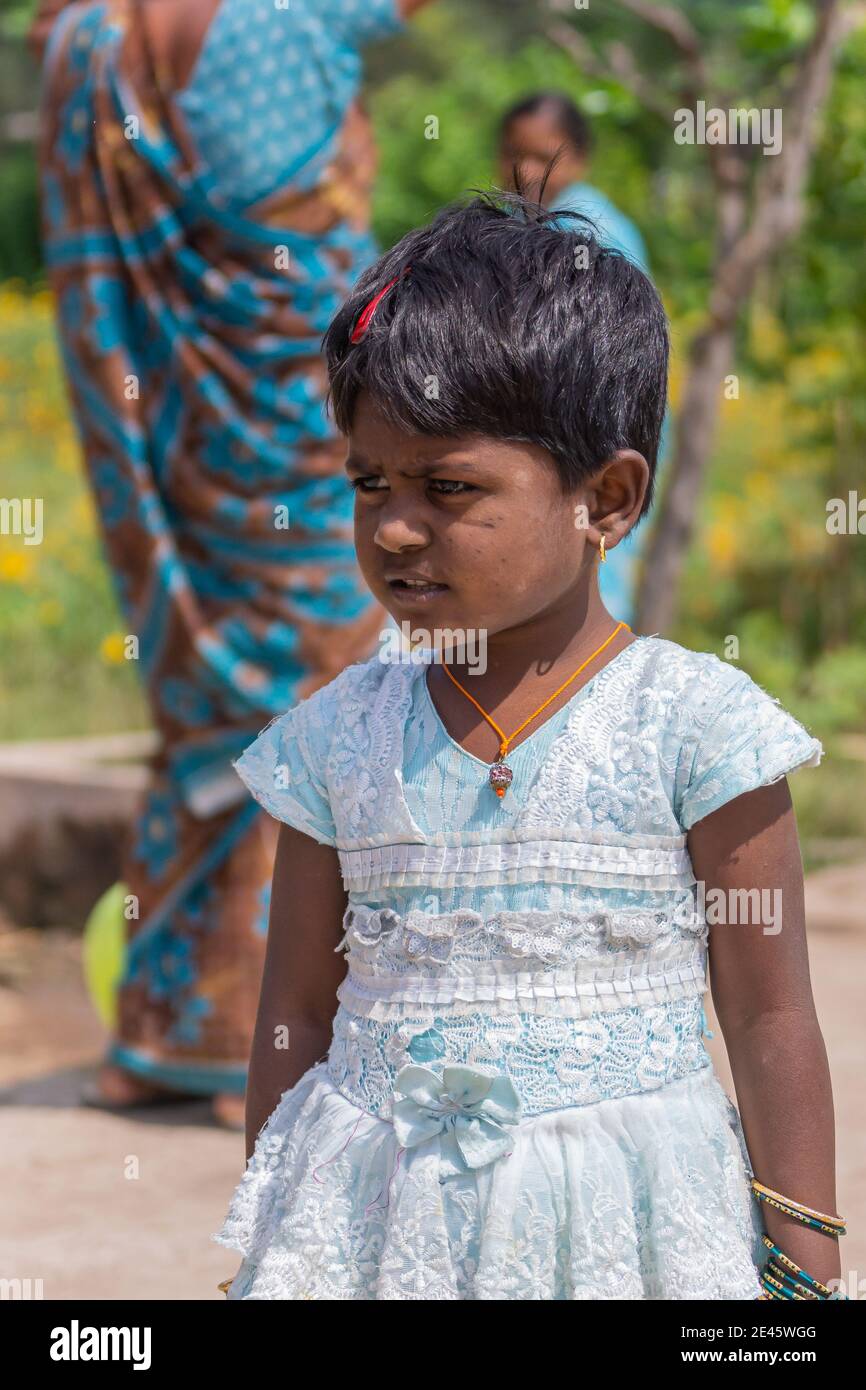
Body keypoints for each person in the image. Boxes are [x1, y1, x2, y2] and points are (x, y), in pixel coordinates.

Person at [211, 189, 843, 1300]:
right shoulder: (332, 745)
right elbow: (297, 1015)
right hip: (376, 1237)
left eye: (448, 486)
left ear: (606, 497)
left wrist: (805, 1277)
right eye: (368, 482)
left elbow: (768, 1011)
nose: (394, 527)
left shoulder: (696, 731)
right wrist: (275, 1242)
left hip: (633, 1236)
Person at [32, 0, 433, 1129]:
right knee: (310, 705)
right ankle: (276, 1035)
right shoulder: (289, 17)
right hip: (294, 435)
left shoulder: (82, 35)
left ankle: (159, 1035)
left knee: (214, 704)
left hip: (175, 446)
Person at [498, 91, 659, 627]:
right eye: (512, 153)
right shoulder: (523, 223)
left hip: (593, 430)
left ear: (580, 160)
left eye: (544, 157)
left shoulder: (585, 229)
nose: (523, 170)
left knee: (583, 575)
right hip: (561, 433)